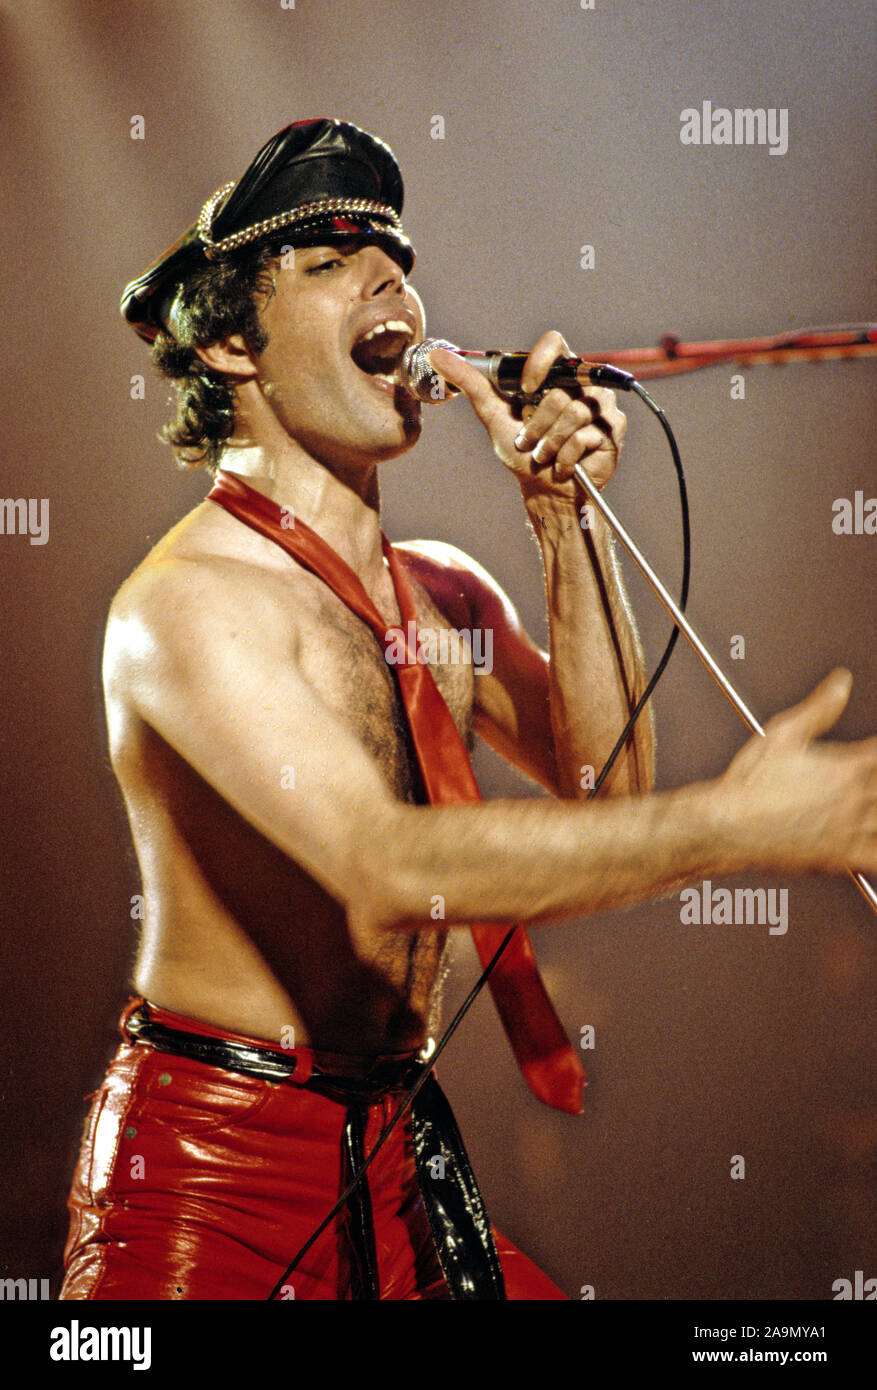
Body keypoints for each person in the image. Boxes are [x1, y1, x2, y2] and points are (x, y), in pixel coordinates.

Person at [60, 119, 877, 1302]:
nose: (388, 273)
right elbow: (386, 864)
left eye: (391, 250)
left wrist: (561, 517)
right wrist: (745, 827)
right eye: (328, 258)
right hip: (209, 1178)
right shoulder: (186, 606)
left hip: (393, 1160)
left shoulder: (441, 590)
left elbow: (610, 792)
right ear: (232, 344)